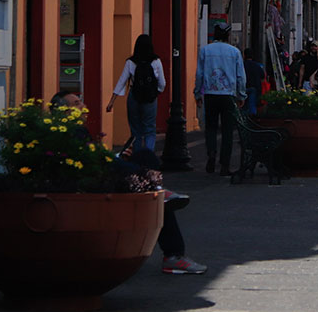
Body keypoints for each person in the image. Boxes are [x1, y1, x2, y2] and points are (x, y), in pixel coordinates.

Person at [52, 92, 205, 274]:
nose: (83, 106)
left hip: (99, 175)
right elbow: (94, 161)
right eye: (76, 104)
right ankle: (173, 254)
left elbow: (96, 159)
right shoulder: (69, 131)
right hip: (91, 186)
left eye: (81, 101)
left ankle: (156, 189)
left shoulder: (73, 130)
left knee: (145, 157)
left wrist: (117, 157)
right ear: (63, 111)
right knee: (155, 191)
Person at [194, 25, 246, 176]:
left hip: (210, 93)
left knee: (210, 127)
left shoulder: (205, 50)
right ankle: (225, 164)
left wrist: (198, 93)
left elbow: (199, 75)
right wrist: (241, 95)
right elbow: (240, 76)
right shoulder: (234, 52)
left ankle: (211, 152)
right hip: (228, 94)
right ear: (228, 35)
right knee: (227, 130)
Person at [107, 34, 166, 152]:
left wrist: (111, 102)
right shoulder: (156, 61)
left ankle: (137, 157)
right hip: (150, 98)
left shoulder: (131, 62)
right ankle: (149, 158)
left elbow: (121, 82)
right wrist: (156, 92)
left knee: (135, 130)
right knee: (149, 129)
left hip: (134, 96)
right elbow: (162, 83)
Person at [242, 48, 266, 116]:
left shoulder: (242, 65)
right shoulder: (257, 65)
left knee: (243, 106)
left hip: (243, 87)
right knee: (252, 105)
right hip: (254, 88)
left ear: (244, 55)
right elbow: (262, 76)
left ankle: (244, 120)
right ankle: (252, 119)